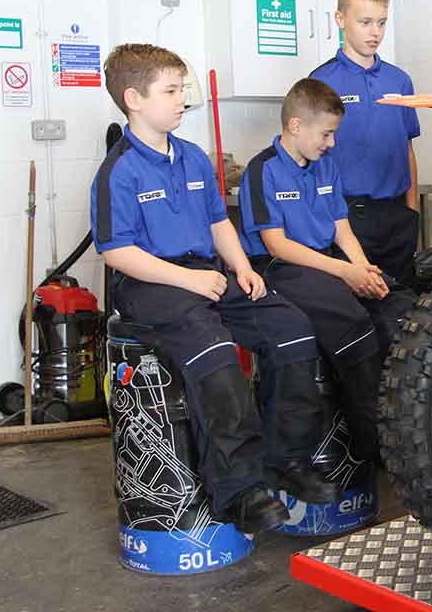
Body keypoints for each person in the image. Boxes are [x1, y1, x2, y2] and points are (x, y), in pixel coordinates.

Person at [90, 44, 339, 535]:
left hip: (208, 273)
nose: (184, 99)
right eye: (172, 90)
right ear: (134, 98)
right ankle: (239, 491)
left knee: (291, 330)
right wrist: (190, 279)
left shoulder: (192, 158)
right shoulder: (118, 171)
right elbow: (116, 251)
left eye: (183, 88)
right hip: (150, 284)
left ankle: (285, 461)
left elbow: (217, 221)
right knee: (218, 353)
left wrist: (243, 269)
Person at [238, 77, 412, 468]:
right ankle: (377, 446)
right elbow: (276, 245)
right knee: (352, 321)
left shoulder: (325, 166)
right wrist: (344, 273)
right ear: (296, 126)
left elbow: (342, 229)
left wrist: (363, 269)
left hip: (327, 259)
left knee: (397, 306)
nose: (331, 144)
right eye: (326, 134)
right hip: (282, 267)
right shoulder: (261, 171)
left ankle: (410, 429)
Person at [310, 0, 422, 287]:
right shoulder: (322, 82)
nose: (376, 32)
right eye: (366, 22)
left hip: (397, 215)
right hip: (346, 218)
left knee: (403, 306)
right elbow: (312, 158)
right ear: (341, 19)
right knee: (360, 309)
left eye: (382, 23)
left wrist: (411, 211)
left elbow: (407, 149)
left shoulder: (400, 82)